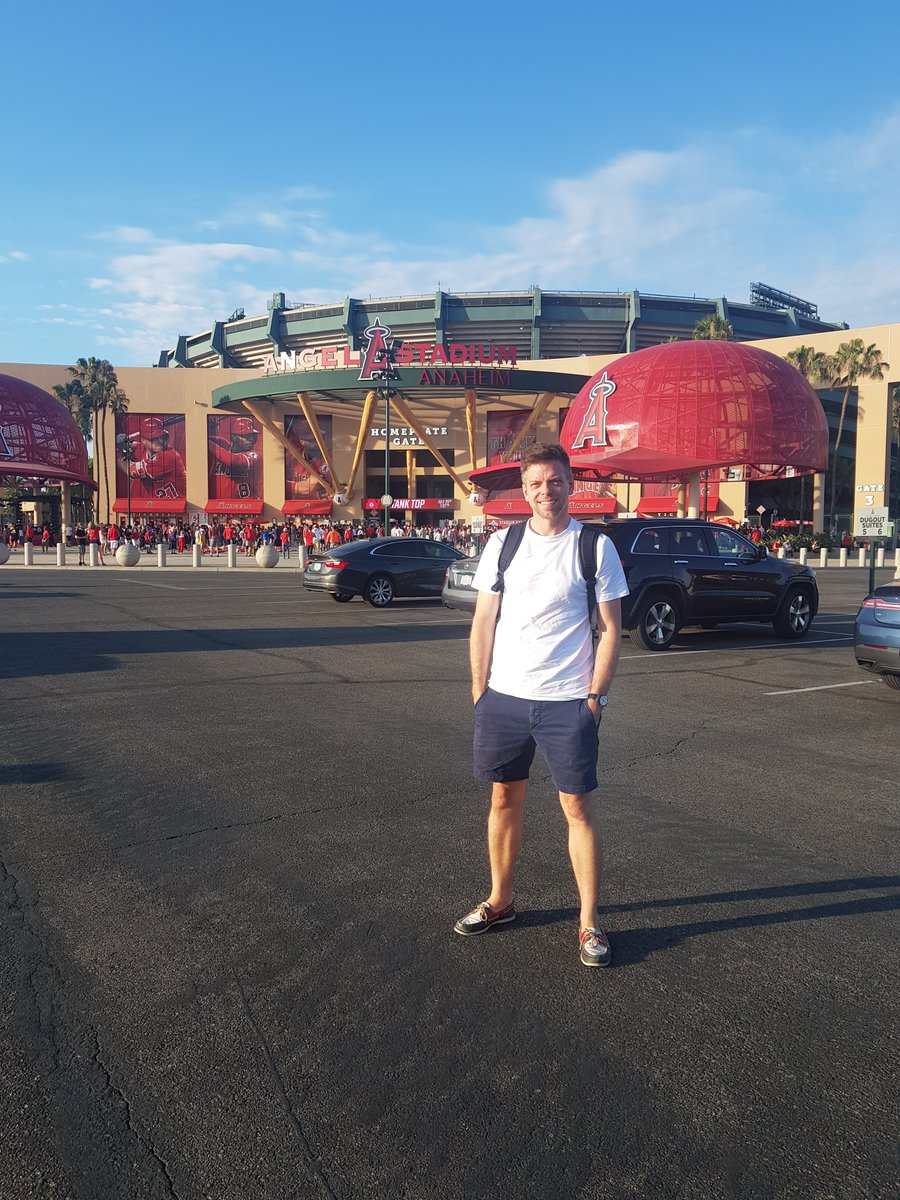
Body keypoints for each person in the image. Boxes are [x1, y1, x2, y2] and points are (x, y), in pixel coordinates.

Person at [455, 443, 629, 968]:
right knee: (503, 800)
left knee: (577, 809)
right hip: (504, 698)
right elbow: (483, 620)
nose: (545, 491)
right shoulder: (503, 543)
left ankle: (589, 921)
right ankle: (500, 901)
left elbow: (611, 629)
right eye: (535, 483)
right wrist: (480, 690)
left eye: (554, 481)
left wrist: (595, 698)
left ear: (570, 484)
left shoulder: (594, 547)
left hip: (567, 702)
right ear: (524, 490)